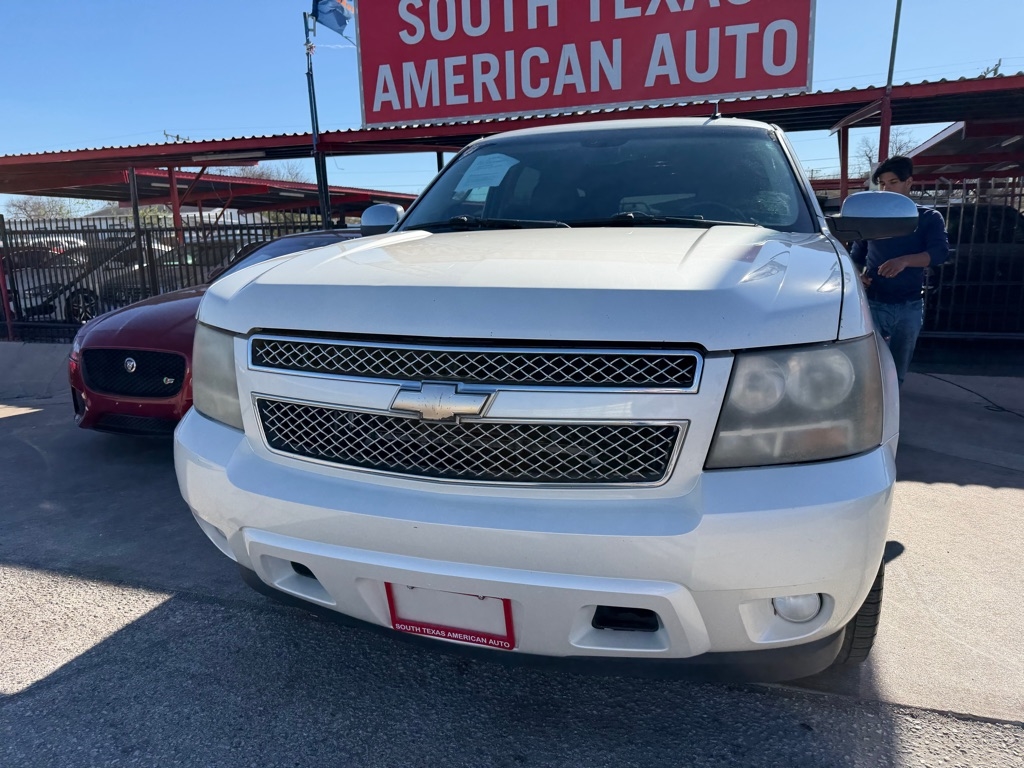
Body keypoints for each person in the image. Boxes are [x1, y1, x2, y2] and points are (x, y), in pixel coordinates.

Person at [850, 156, 949, 386]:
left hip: (909, 305)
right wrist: (858, 276)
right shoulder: (871, 219)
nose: (887, 188)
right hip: (872, 303)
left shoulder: (927, 218)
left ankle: (891, 410)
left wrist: (904, 261)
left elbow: (940, 253)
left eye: (893, 182)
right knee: (866, 366)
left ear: (909, 182)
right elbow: (856, 257)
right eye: (883, 184)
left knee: (897, 370)